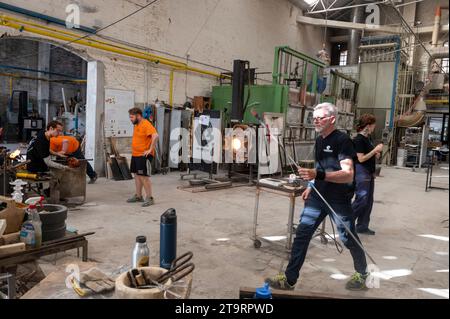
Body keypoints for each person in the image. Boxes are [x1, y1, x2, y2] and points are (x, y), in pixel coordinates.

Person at [266, 103, 369, 291]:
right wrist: (312, 185)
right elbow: (321, 167)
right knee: (302, 235)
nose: (315, 121)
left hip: (338, 199)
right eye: (313, 118)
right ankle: (289, 280)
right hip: (319, 196)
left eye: (319, 118)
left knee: (347, 237)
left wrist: (317, 176)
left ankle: (362, 273)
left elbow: (348, 174)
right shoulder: (320, 139)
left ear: (332, 119)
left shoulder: (343, 141)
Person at [352, 114, 383, 235]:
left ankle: (362, 226)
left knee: (369, 200)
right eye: (373, 125)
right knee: (362, 199)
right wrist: (375, 150)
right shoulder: (358, 140)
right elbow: (361, 159)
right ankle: (346, 221)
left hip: (369, 172)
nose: (374, 127)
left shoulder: (367, 138)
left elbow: (368, 153)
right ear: (368, 126)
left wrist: (375, 154)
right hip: (361, 171)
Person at [127, 107, 159, 207]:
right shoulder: (137, 125)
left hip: (143, 155)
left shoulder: (146, 124)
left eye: (132, 117)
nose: (130, 119)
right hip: (136, 154)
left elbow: (155, 135)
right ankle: (138, 196)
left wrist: (150, 149)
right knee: (136, 175)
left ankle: (149, 198)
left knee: (143, 176)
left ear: (138, 115)